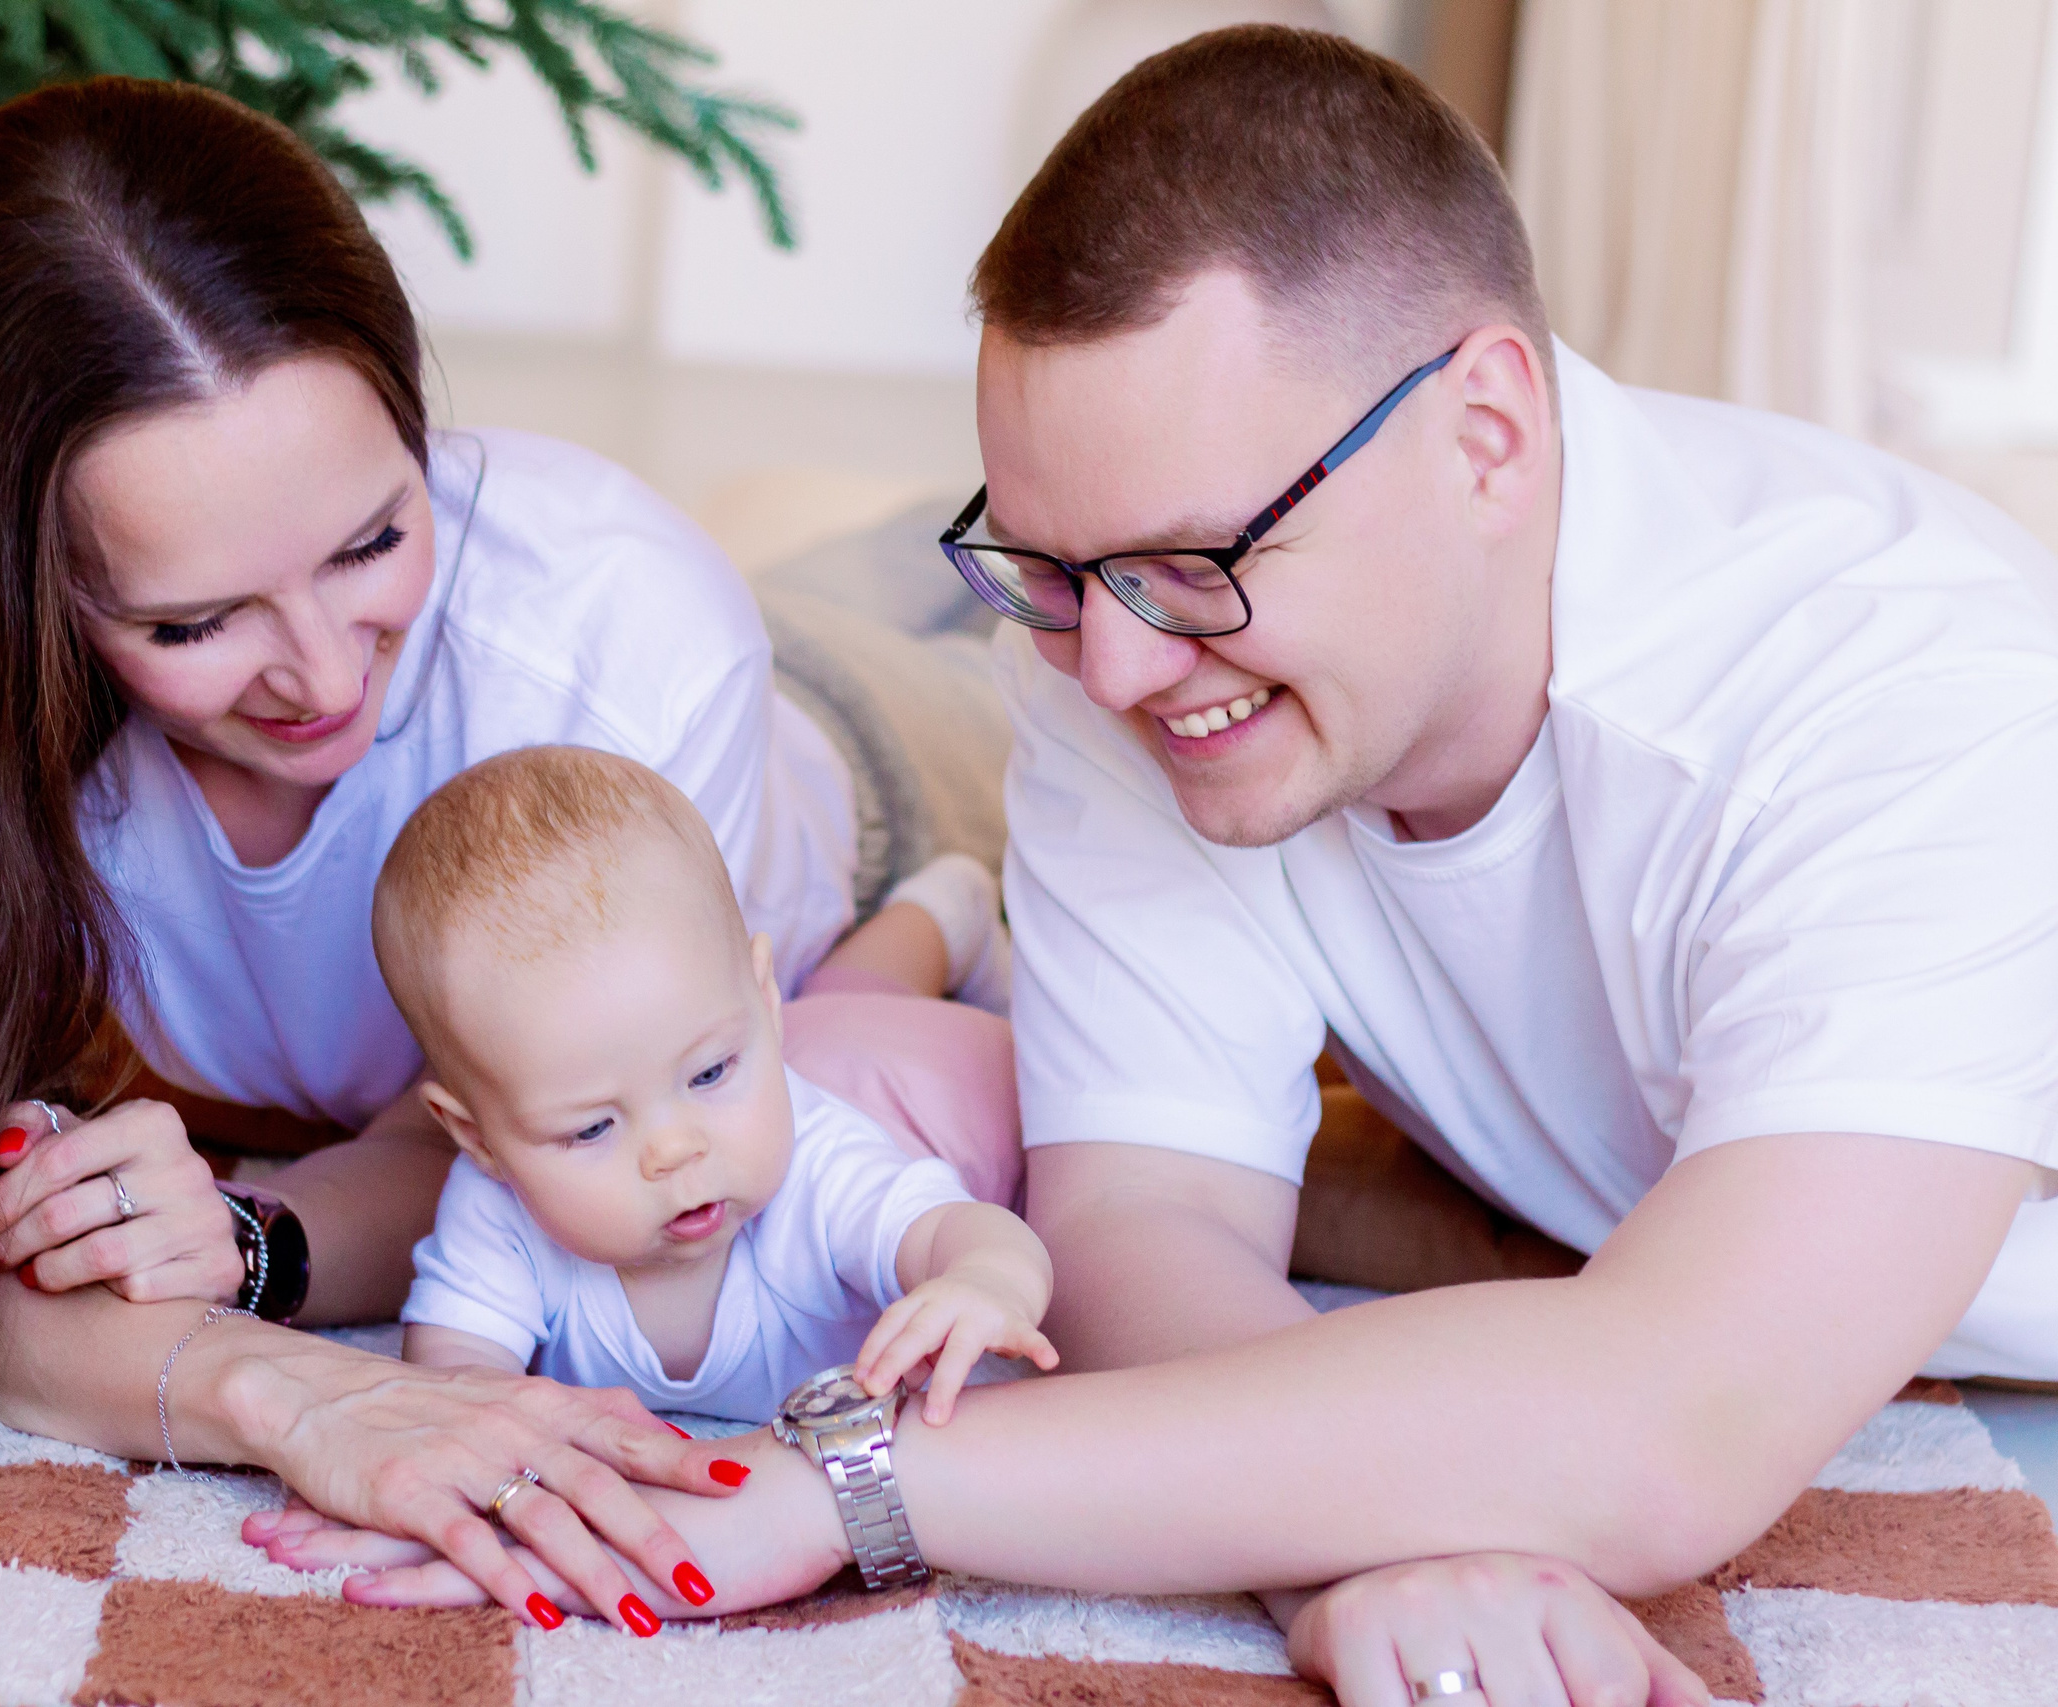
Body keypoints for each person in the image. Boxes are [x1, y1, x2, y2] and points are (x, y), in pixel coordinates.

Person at [278, 26, 2058, 1707]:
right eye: (1049, 566)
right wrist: (1334, 1546)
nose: (1113, 672)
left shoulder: (1914, 695)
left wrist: (844, 1484)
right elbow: (1147, 1220)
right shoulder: (1117, 640)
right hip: (1562, 1180)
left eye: (1200, 558)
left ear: (1490, 433)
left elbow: (1681, 1414)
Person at [0, 75, 1016, 1640]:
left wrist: (258, 1246)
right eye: (193, 621)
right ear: (15, 596)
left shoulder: (616, 632)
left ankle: (926, 821)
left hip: (859, 767)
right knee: (833, 555)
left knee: (972, 618)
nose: (320, 676)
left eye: (374, 538)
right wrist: (284, 1387)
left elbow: (518, 1158)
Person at [379, 746, 1055, 1433]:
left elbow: (962, 1235)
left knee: (884, 1009)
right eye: (591, 1128)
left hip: (927, 1083)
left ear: (764, 1002)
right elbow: (453, 1381)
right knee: (840, 992)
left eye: (709, 1074)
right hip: (798, 1035)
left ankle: (947, 908)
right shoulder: (500, 1208)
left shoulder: (822, 1173)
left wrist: (987, 1280)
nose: (673, 1149)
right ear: (477, 1136)